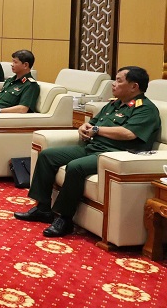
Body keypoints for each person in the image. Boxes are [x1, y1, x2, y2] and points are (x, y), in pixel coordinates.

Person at [15, 66, 160, 238]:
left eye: (119, 81)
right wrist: (84, 127)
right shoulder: (114, 104)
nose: (113, 84)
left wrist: (97, 130)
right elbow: (94, 122)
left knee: (76, 167)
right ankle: (43, 208)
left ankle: (64, 219)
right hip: (91, 147)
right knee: (48, 155)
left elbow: (129, 133)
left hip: (113, 154)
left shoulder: (145, 109)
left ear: (134, 86)